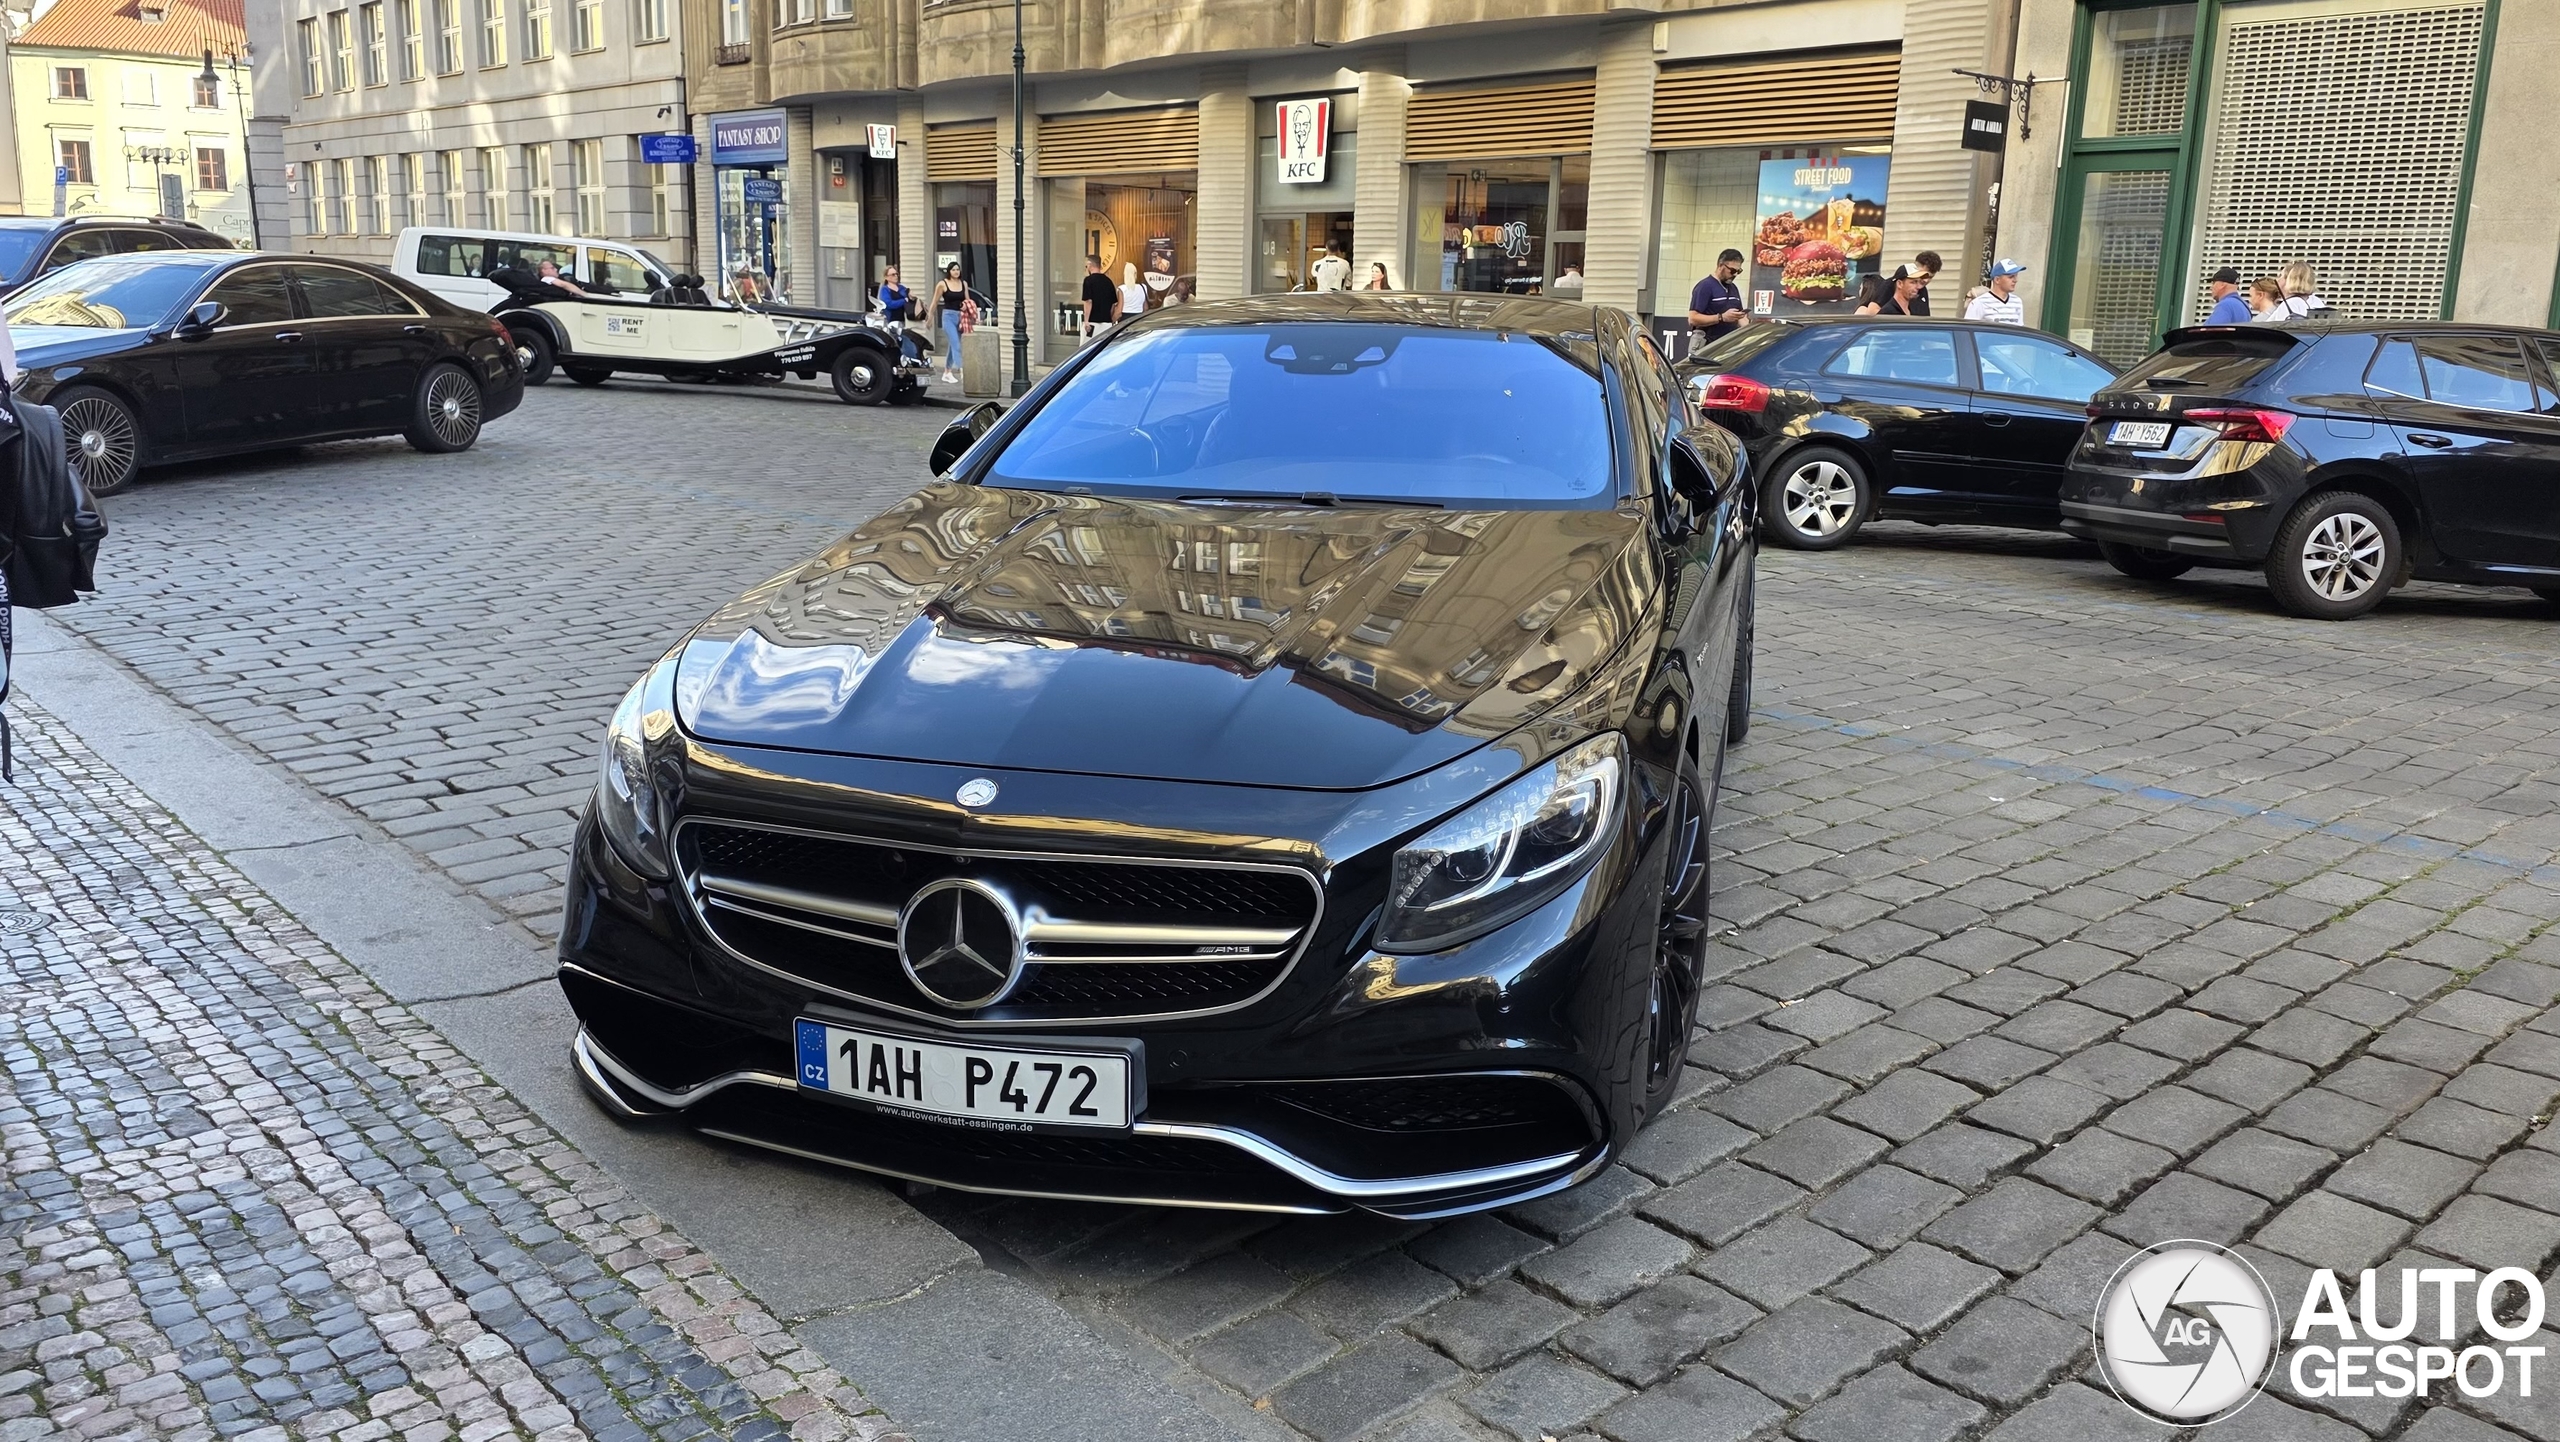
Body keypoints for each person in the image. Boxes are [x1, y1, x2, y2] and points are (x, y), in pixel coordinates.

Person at [1687, 249, 1747, 346]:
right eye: (1732, 271)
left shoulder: (1733, 288)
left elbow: (1740, 317)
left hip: (1728, 346)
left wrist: (1748, 329)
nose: (1735, 274)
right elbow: (1693, 319)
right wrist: (1721, 317)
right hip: (1708, 346)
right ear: (1720, 266)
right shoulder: (1705, 286)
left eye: (1738, 271)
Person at [2260, 261, 2333, 321]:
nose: (2277, 280)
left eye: (2281, 276)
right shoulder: (2316, 301)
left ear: (2289, 280)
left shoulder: (2290, 304)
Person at [933, 262, 969, 382]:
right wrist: (929, 317)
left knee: (953, 345)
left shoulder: (963, 284)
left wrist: (966, 305)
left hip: (961, 316)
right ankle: (962, 370)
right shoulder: (943, 284)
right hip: (948, 316)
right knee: (956, 345)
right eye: (953, 270)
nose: (956, 272)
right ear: (949, 271)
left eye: (958, 269)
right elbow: (935, 301)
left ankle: (947, 371)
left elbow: (968, 300)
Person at [1965, 259, 2028, 324]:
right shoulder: (1979, 303)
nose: (2015, 280)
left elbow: (2019, 329)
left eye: (2016, 276)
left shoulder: (2017, 302)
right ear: (1997, 280)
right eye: (2011, 277)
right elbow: (1968, 329)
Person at [1079, 257, 1117, 342]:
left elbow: (1088, 301)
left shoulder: (1088, 281)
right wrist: (1109, 318)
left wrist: (1086, 321)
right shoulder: (1108, 281)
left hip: (1092, 323)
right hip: (1106, 323)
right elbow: (1113, 304)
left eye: (1086, 266)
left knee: (1086, 349)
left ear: (1089, 265)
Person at [1858, 266, 1922, 317]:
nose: (1918, 287)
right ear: (1900, 284)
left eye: (1919, 282)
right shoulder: (1888, 313)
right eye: (1913, 282)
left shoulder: (1912, 310)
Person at [1909, 251, 1942, 315]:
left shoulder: (1923, 291)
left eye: (1930, 277)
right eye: (1924, 275)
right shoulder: (1890, 286)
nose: (1926, 280)